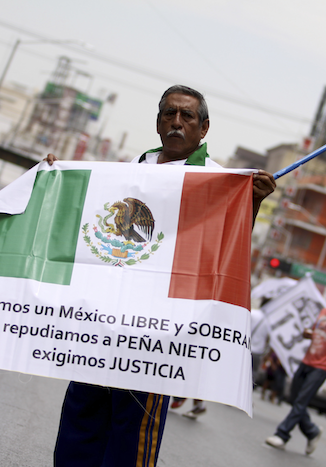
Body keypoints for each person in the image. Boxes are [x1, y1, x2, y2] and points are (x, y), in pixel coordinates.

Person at [49, 85, 276, 467]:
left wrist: (251, 203)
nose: (177, 122)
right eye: (169, 113)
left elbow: (227, 248)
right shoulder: (131, 168)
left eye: (187, 116)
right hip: (102, 323)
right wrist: (58, 178)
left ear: (204, 128)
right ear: (157, 123)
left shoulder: (218, 179)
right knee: (81, 417)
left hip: (157, 333)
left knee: (132, 433)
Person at [265, 278, 326, 456]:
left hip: (321, 367)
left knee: (301, 401)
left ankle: (282, 434)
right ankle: (312, 431)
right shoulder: (324, 312)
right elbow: (317, 333)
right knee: (295, 399)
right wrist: (308, 334)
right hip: (306, 361)